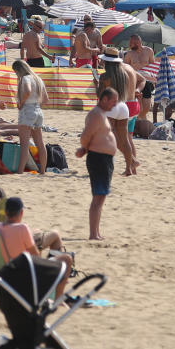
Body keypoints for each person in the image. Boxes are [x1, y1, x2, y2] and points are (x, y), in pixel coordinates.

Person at [0, 197, 71, 295]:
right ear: (21, 213)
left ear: (5, 212)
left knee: (38, 233)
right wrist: (39, 247)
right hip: (26, 272)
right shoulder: (22, 228)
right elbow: (36, 255)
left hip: (5, 270)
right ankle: (58, 298)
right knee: (67, 258)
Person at [76, 88, 119, 240]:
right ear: (104, 99)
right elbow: (85, 136)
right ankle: (93, 234)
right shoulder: (96, 115)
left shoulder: (100, 115)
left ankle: (96, 232)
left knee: (101, 198)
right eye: (113, 101)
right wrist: (84, 148)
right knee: (98, 198)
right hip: (98, 159)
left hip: (103, 158)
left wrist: (85, 148)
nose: (114, 105)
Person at [98, 50, 139, 175]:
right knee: (125, 139)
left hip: (111, 108)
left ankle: (130, 161)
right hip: (123, 107)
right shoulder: (124, 74)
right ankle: (128, 168)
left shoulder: (104, 77)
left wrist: (97, 84)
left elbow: (100, 95)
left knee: (110, 138)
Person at [11, 60, 48, 174]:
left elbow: (27, 91)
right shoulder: (38, 79)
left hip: (27, 110)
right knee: (40, 143)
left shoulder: (25, 78)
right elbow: (46, 99)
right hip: (38, 110)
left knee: (24, 144)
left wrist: (21, 103)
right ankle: (42, 170)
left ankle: (20, 171)